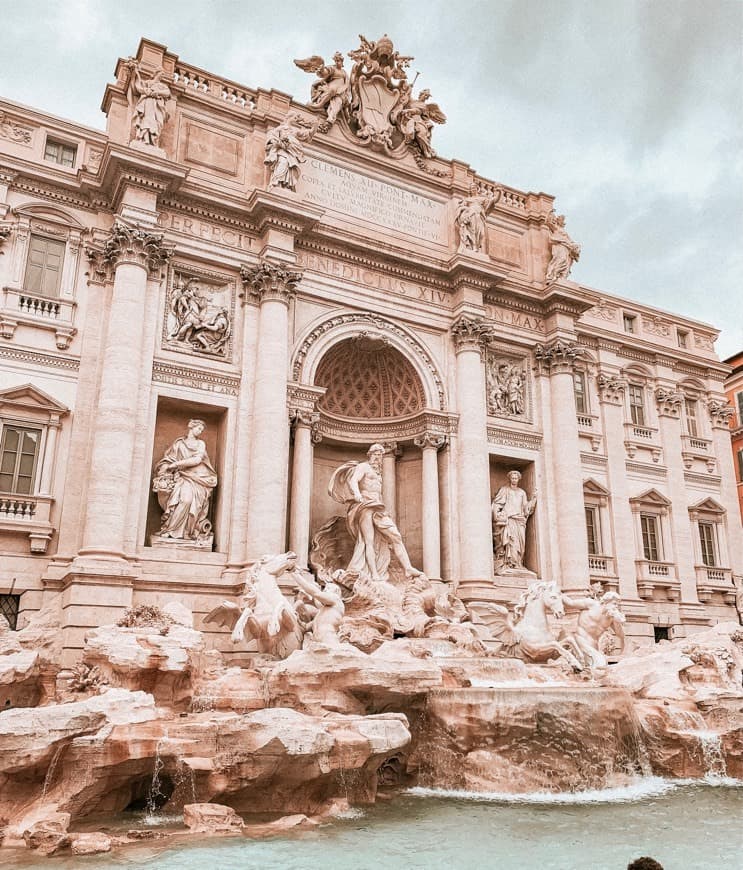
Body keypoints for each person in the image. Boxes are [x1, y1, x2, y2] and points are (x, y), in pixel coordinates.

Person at [328, 443, 424, 583]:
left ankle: (408, 568)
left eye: (380, 455)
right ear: (370, 454)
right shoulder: (363, 467)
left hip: (378, 507)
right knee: (369, 541)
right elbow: (353, 480)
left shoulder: (378, 472)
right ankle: (374, 574)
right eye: (376, 454)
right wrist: (357, 494)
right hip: (365, 505)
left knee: (395, 536)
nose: (378, 458)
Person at [152, 419, 218, 542]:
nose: (200, 432)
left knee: (189, 502)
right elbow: (169, 459)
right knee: (184, 500)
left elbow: (197, 460)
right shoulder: (179, 444)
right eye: (199, 429)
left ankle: (188, 531)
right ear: (191, 427)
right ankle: (170, 530)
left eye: (202, 430)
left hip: (199, 479)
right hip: (183, 477)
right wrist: (166, 467)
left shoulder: (201, 444)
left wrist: (176, 464)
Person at [491, 470, 537, 573]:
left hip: (520, 520)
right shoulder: (505, 490)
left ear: (519, 479)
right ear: (510, 478)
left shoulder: (522, 492)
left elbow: (526, 508)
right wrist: (498, 515)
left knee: (520, 544)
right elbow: (497, 504)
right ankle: (511, 564)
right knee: (511, 542)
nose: (514, 480)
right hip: (509, 519)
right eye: (512, 478)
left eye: (516, 478)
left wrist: (533, 499)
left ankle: (518, 563)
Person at [127, 62, 171, 148]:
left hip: (157, 106)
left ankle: (153, 140)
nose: (162, 76)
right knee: (147, 120)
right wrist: (134, 72)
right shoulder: (148, 83)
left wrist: (156, 92)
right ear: (157, 73)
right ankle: (145, 139)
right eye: (162, 74)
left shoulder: (162, 86)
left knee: (158, 122)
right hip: (148, 102)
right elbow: (138, 87)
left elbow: (167, 93)